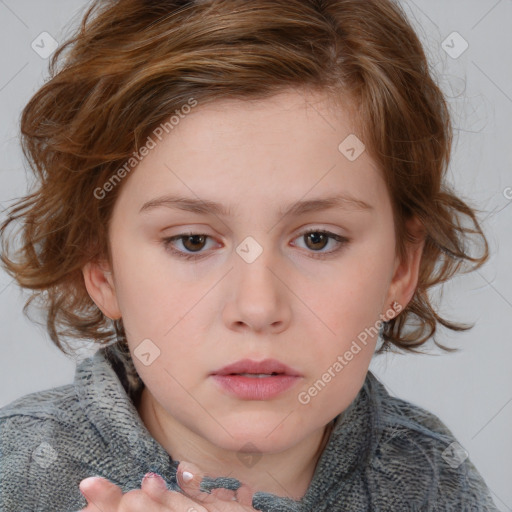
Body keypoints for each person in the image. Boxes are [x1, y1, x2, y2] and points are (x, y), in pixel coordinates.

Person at [0, 0, 499, 510]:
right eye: (192, 241)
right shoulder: (15, 471)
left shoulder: (436, 482)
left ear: (401, 268)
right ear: (101, 267)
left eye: (317, 239)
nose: (258, 308)